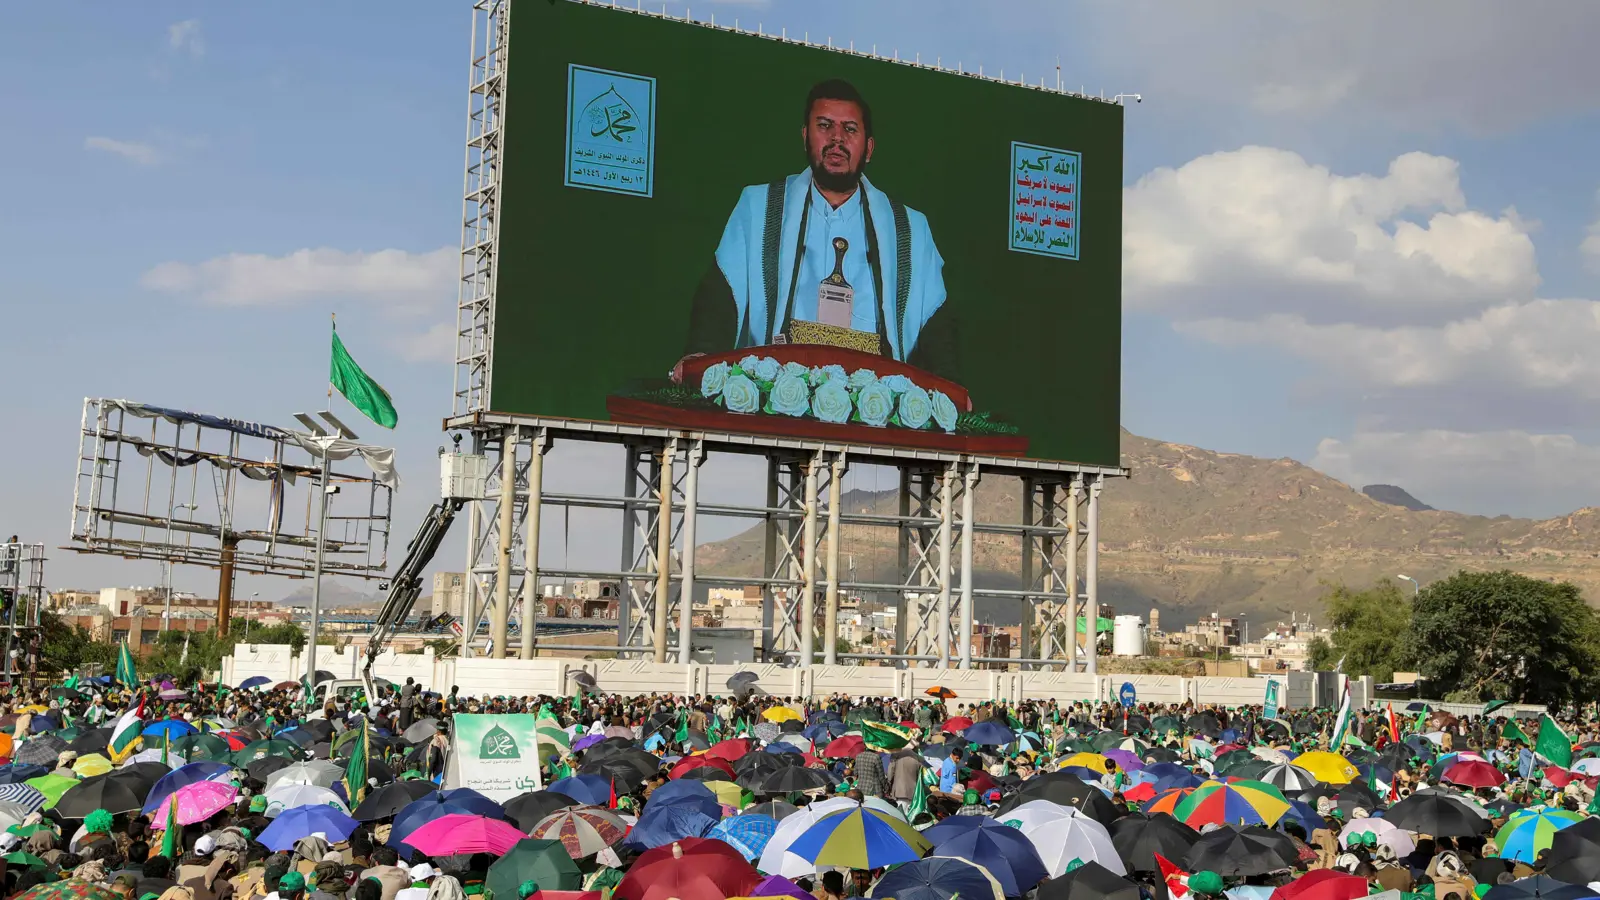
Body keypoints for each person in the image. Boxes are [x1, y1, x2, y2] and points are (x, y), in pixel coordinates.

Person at [680, 78, 956, 379]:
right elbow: (720, 298)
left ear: (869, 148)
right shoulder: (758, 207)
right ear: (805, 136)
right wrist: (701, 356)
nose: (837, 139)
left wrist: (951, 388)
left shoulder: (910, 230)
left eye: (850, 129)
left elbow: (935, 324)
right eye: (825, 126)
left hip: (877, 405)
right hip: (776, 393)